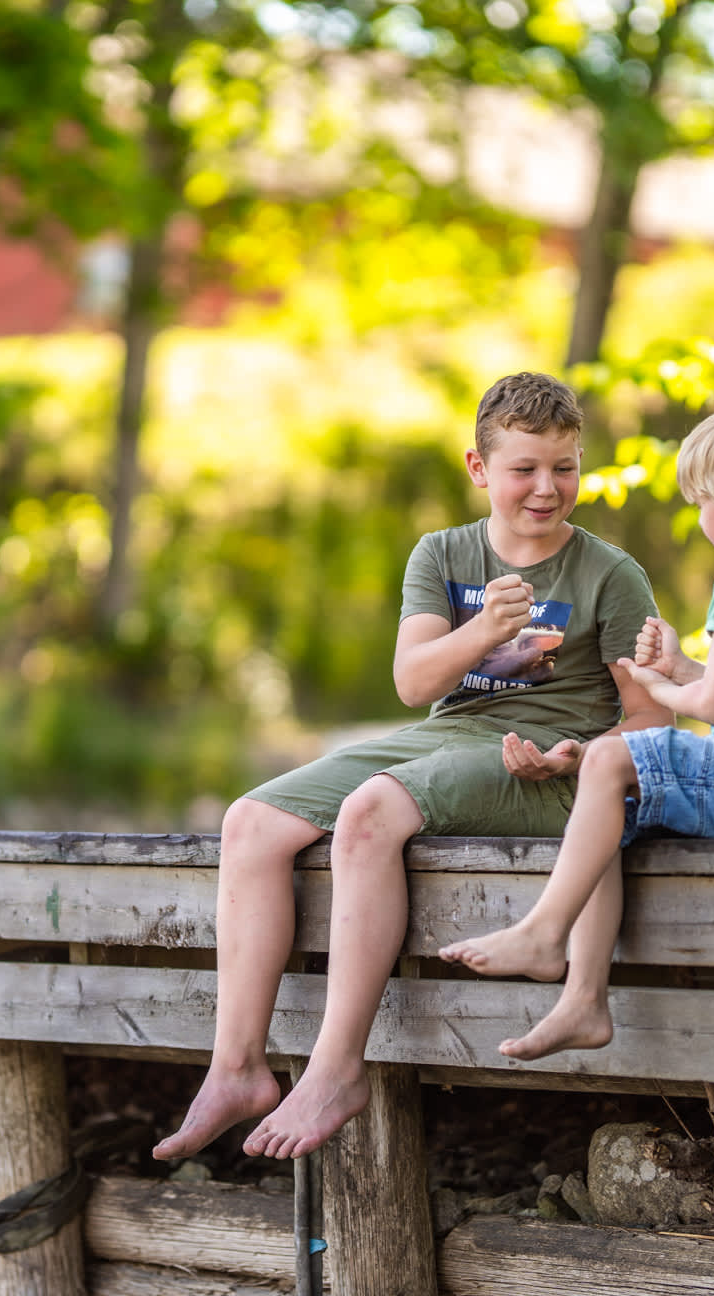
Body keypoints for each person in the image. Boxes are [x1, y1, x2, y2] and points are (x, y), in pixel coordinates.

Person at [152, 372, 671, 1163]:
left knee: (369, 813)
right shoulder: (443, 553)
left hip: (548, 767)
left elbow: (651, 717)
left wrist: (577, 757)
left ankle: (335, 1069)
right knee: (248, 823)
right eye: (524, 468)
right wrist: (483, 630)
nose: (546, 487)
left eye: (564, 467)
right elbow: (414, 682)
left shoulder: (609, 573)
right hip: (446, 733)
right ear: (478, 467)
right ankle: (238, 1067)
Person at [439, 400, 714, 1059]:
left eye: (702, 505)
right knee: (609, 806)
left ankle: (546, 935)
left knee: (609, 759)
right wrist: (680, 663)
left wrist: (660, 688)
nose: (701, 520)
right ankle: (582, 1003)